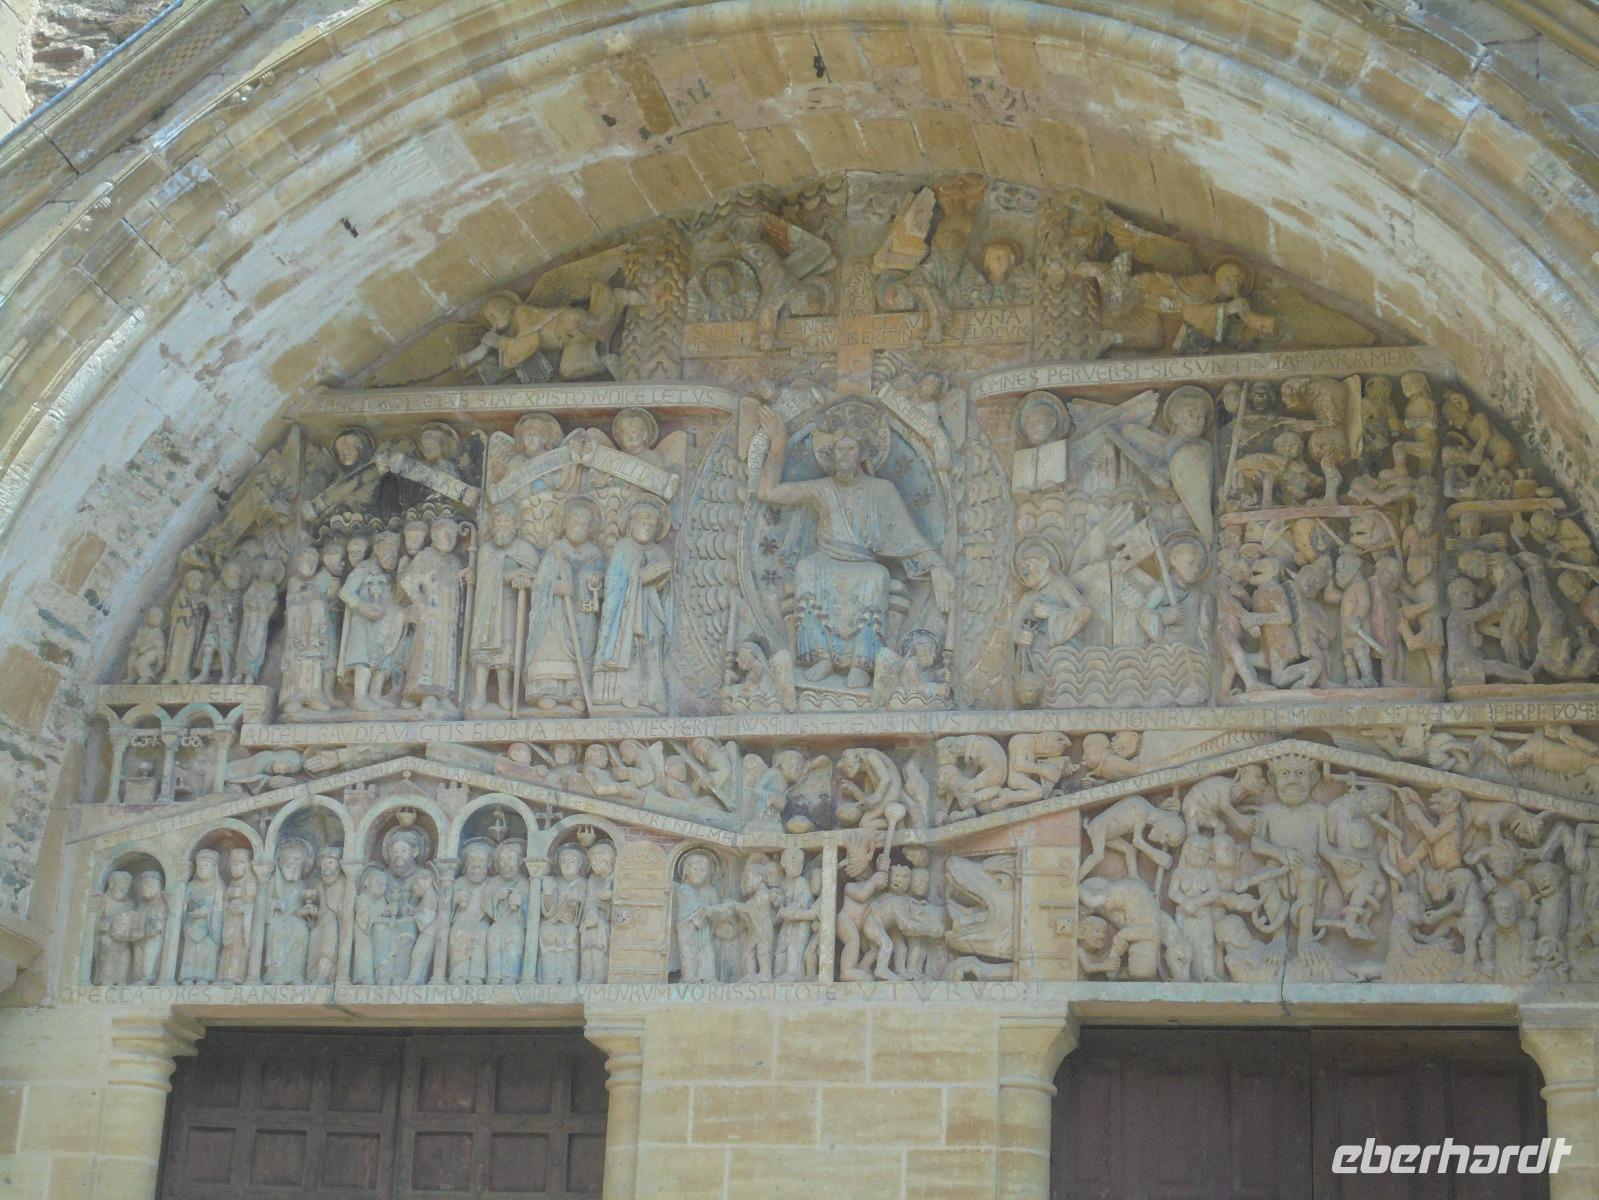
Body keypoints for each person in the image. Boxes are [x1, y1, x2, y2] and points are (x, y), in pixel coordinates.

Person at [750, 397, 952, 691]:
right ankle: (822, 657)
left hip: (863, 564)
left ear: (862, 453)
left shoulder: (882, 490)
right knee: (806, 569)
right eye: (839, 449)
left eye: (851, 448)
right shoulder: (821, 488)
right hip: (826, 560)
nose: (845, 454)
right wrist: (778, 441)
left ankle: (861, 662)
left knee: (877, 577)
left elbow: (909, 537)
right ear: (830, 455)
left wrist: (937, 567)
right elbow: (768, 491)